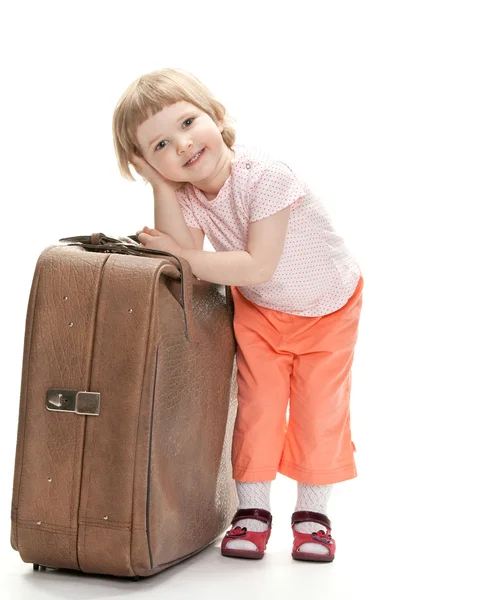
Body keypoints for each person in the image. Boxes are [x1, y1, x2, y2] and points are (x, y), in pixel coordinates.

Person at [112, 67, 363, 562]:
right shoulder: (184, 191)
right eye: (159, 146)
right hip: (263, 310)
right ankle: (252, 512)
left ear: (216, 115)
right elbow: (181, 254)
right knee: (258, 408)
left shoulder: (267, 177)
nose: (181, 146)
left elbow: (256, 262)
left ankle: (313, 517)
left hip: (328, 308)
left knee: (318, 411)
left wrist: (184, 258)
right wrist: (161, 187)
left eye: (187, 123)